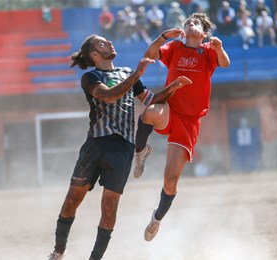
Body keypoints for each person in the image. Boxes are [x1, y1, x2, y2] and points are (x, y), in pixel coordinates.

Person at [46, 34, 192, 260]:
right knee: (73, 199)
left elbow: (150, 100)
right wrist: (136, 74)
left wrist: (174, 86)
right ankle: (58, 251)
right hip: (96, 144)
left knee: (109, 206)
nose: (110, 43)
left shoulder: (126, 73)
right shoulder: (91, 77)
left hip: (123, 148)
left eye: (108, 41)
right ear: (94, 55)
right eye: (102, 43)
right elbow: (109, 96)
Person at [132, 12, 230, 241]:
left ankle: (156, 218)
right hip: (171, 110)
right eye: (188, 22)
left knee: (170, 181)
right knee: (149, 114)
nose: (191, 23)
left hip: (189, 122)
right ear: (183, 30)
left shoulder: (208, 52)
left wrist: (219, 49)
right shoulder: (174, 47)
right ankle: (141, 151)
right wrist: (164, 36)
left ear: (204, 34)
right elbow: (150, 54)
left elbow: (225, 63)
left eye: (196, 23)